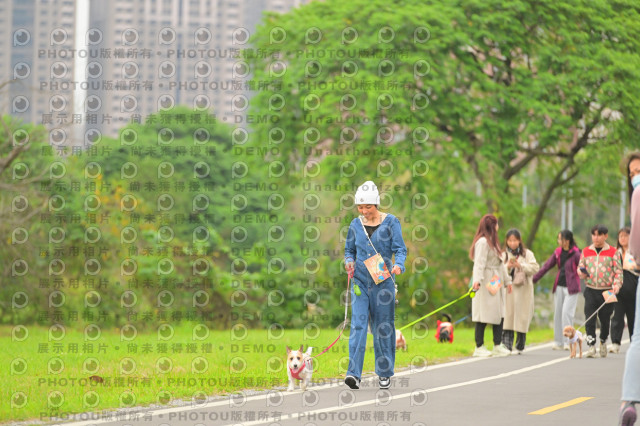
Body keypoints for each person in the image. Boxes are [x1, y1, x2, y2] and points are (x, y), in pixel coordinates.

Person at [344, 180, 407, 390]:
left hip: (383, 283)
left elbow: (400, 249)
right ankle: (353, 374)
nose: (364, 211)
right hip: (360, 282)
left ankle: (384, 372)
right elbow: (349, 250)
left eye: (368, 207)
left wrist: (399, 265)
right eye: (360, 207)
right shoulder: (355, 224)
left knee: (383, 328)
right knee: (358, 326)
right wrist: (349, 261)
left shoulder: (391, 222)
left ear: (376, 204)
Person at [470, 214, 512, 357]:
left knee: (499, 313)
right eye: (496, 224)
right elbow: (479, 263)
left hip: (495, 280)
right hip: (485, 280)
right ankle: (479, 346)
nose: (498, 226)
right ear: (492, 226)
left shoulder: (493, 242)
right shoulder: (482, 242)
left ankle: (497, 345)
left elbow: (501, 265)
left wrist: (508, 281)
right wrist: (477, 280)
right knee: (482, 314)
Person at [618, 152, 640, 425]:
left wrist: (634, 256)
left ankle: (629, 400)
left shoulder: (638, 194)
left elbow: (636, 237)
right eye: (632, 173)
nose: (635, 177)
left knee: (638, 339)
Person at [533, 230, 582, 350]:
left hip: (572, 288)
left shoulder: (576, 253)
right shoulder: (558, 252)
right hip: (559, 286)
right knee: (558, 314)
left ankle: (569, 341)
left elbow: (583, 268)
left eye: (560, 239)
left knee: (566, 313)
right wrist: (534, 279)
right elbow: (546, 266)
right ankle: (558, 342)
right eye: (558, 238)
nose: (558, 241)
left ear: (567, 240)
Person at [578, 224, 622, 358]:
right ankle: (591, 346)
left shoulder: (613, 252)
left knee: (605, 319)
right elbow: (580, 267)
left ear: (605, 236)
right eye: (594, 235)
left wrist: (617, 285)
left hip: (606, 291)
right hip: (590, 289)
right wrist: (581, 273)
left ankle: (603, 340)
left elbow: (618, 272)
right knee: (589, 318)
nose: (596, 238)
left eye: (599, 235)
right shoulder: (586, 251)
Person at [501, 229, 540, 354]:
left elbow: (535, 267)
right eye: (510, 240)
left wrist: (520, 266)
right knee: (508, 316)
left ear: (519, 241)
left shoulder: (527, 254)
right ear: (506, 241)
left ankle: (520, 345)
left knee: (521, 317)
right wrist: (507, 267)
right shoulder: (503, 255)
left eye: (515, 240)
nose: (512, 243)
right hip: (508, 290)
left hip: (523, 291)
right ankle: (506, 345)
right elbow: (498, 270)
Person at [610, 227, 638, 354]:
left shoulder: (635, 252)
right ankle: (615, 343)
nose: (623, 238)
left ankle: (634, 344)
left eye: (625, 236)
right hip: (618, 290)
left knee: (633, 318)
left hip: (633, 289)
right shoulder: (616, 252)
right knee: (617, 317)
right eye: (620, 236)